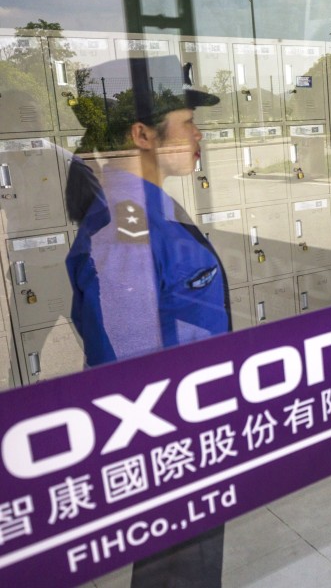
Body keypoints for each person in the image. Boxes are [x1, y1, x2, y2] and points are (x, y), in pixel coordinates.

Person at [65, 56, 229, 586]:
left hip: (188, 421)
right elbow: (128, 361)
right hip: (171, 437)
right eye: (187, 121)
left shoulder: (143, 205)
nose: (199, 133)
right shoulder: (126, 226)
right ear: (142, 134)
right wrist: (172, 456)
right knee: (179, 571)